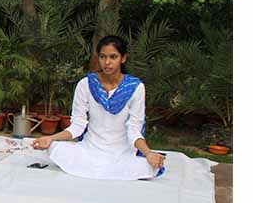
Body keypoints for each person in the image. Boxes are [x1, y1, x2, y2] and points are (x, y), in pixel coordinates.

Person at [32, 35, 166, 180]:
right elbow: (78, 125)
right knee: (55, 148)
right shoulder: (86, 84)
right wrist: (50, 138)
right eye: (102, 57)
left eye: (113, 57)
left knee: (148, 166)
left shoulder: (135, 87)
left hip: (121, 153)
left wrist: (148, 153)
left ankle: (104, 169)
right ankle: (106, 170)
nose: (107, 62)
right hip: (90, 149)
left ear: (123, 58)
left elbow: (134, 129)